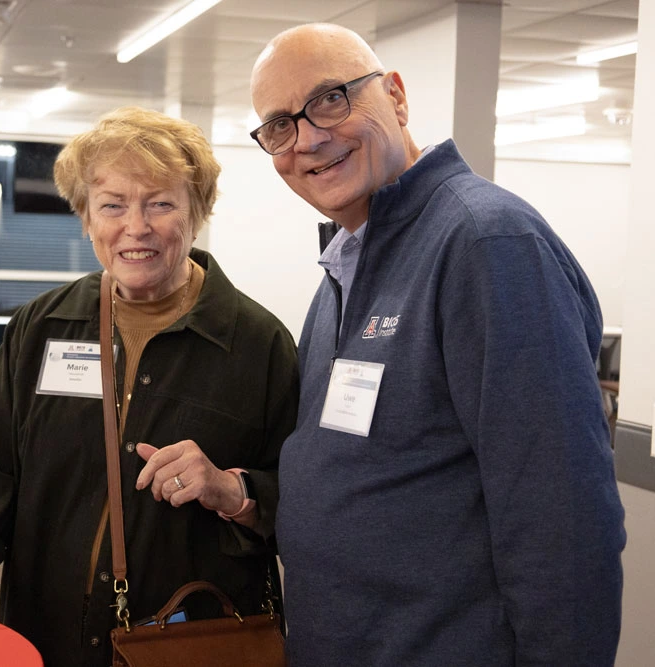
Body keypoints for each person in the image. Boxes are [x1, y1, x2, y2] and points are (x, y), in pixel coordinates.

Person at [0, 106, 299, 666]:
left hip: (190, 643)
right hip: (47, 637)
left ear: (197, 211)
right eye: (112, 205)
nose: (135, 227)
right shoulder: (40, 328)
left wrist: (232, 490)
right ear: (86, 216)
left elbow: (307, 501)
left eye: (160, 203)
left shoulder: (258, 345)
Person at [249, 23, 626, 666]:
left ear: (395, 97)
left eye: (332, 98)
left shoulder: (485, 243)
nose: (308, 137)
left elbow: (561, 525)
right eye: (279, 125)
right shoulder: (349, 264)